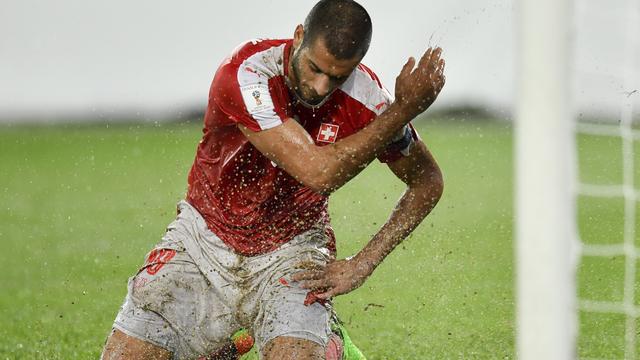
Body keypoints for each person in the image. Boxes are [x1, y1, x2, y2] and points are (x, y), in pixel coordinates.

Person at [101, 0, 445, 358]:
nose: (320, 85)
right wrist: (404, 110)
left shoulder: (370, 101)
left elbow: (427, 182)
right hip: (203, 240)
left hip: (294, 249)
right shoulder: (248, 73)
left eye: (338, 76)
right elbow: (317, 172)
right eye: (314, 68)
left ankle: (326, 341)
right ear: (299, 37)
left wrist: (362, 265)